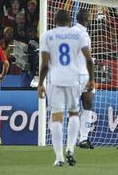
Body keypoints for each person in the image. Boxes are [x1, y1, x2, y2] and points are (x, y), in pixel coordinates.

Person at [37, 9, 94, 166]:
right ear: (70, 21)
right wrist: (91, 79)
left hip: (55, 79)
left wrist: (41, 83)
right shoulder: (78, 35)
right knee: (74, 113)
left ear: (54, 21)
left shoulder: (47, 36)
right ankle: (70, 148)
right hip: (74, 79)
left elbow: (45, 65)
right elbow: (89, 60)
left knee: (56, 117)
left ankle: (59, 157)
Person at [71, 9, 95, 149]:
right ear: (86, 20)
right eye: (90, 18)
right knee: (88, 104)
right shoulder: (83, 35)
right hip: (84, 75)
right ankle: (83, 139)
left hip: (71, 75)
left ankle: (74, 139)